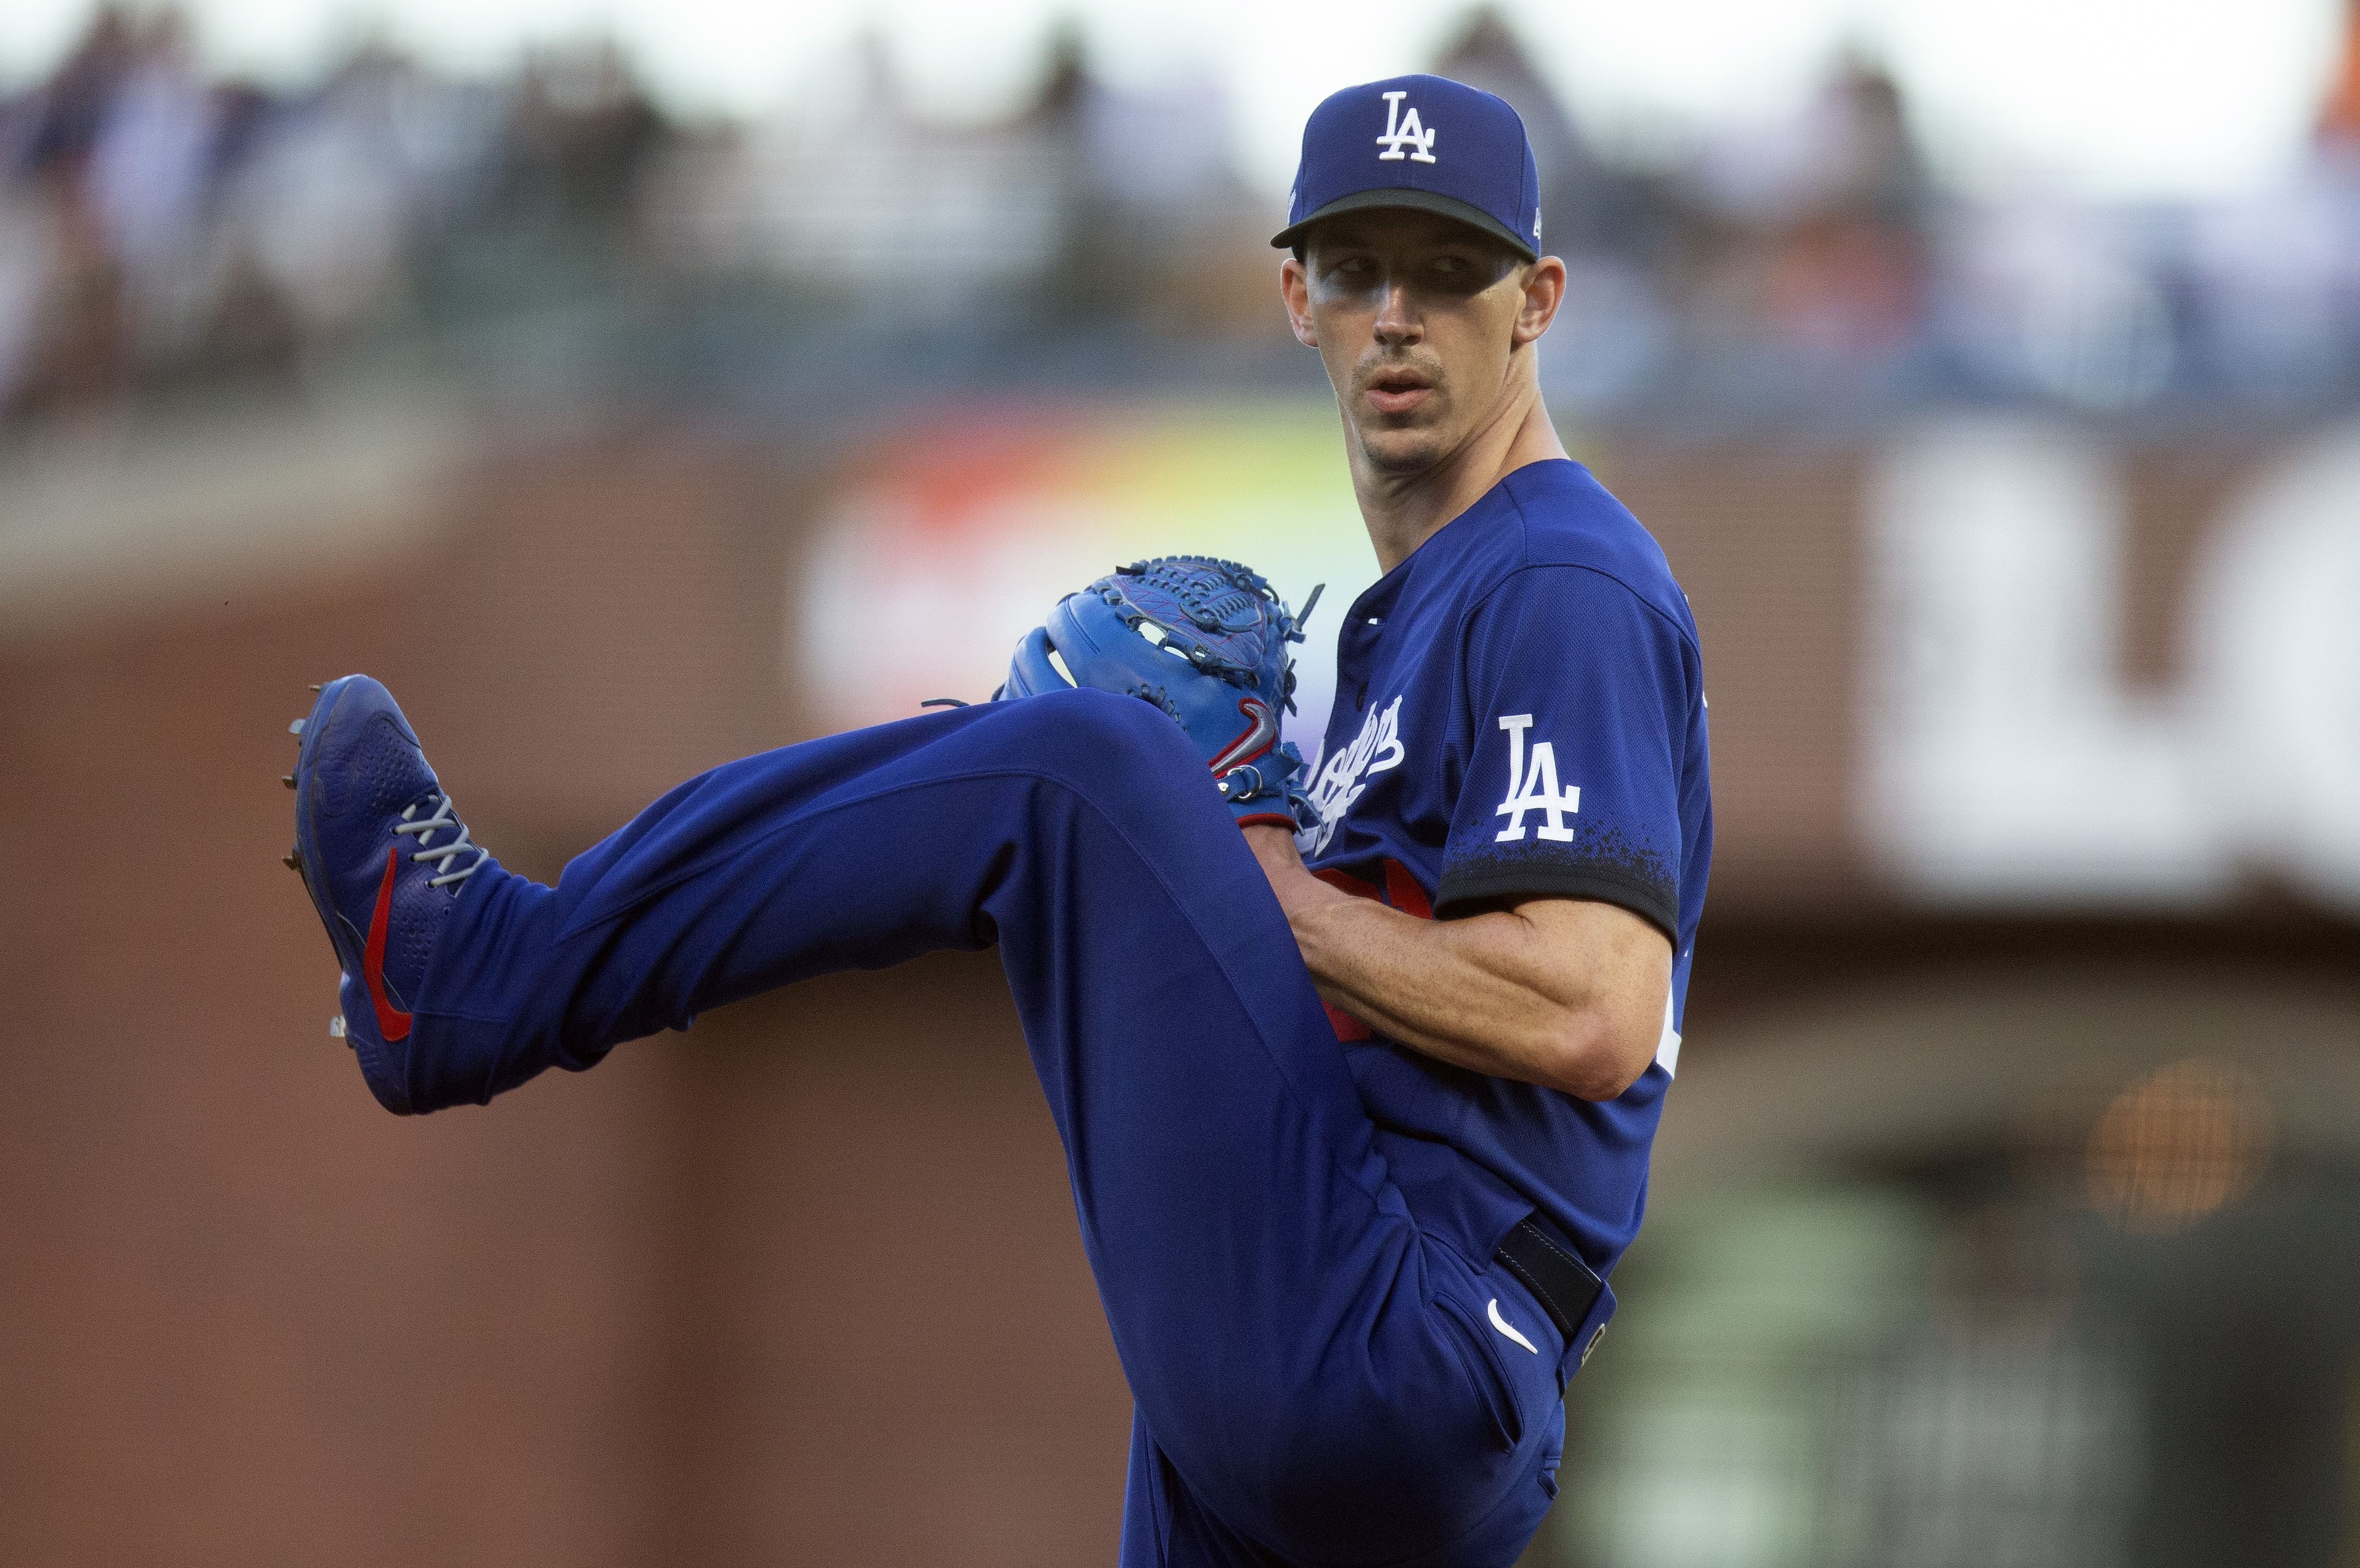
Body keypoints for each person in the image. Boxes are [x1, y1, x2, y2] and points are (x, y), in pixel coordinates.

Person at [283, 74, 1710, 1568]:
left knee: (1075, 771)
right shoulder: (1410, 618)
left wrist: (1233, 880)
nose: (1399, 312)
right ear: (1296, 295)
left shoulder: (1559, 578)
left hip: (1407, 1331)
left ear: (1538, 298)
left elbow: (1594, 1011)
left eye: (1450, 268)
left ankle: (487, 974)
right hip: (1362, 1366)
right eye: (1358, 269)